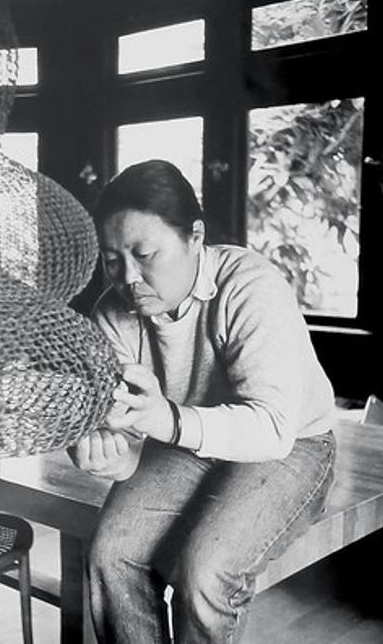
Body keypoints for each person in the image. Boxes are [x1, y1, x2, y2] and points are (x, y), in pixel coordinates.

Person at [68, 159, 336, 643]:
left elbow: (273, 428)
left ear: (195, 236)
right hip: (185, 443)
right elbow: (128, 446)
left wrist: (164, 419)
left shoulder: (251, 285)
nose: (128, 278)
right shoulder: (113, 314)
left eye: (145, 253)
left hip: (293, 442)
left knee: (205, 571)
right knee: (110, 553)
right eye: (111, 258)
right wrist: (103, 449)